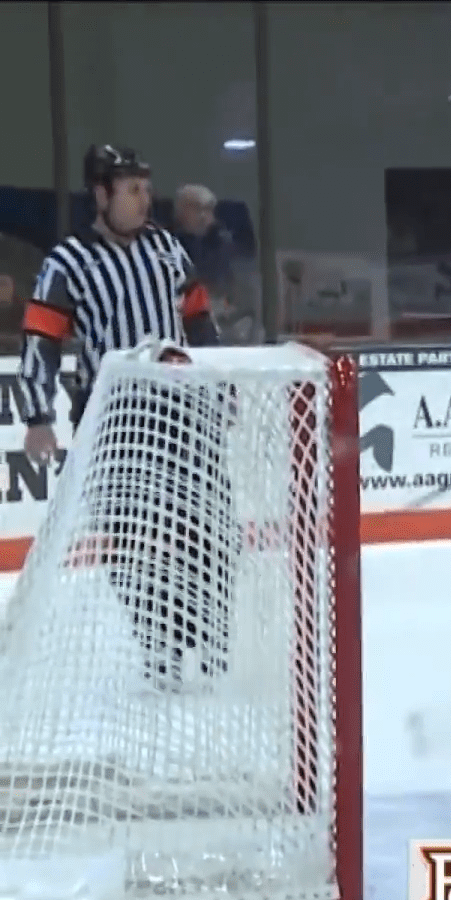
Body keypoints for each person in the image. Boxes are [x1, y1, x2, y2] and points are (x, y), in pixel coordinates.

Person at [18, 145, 225, 691]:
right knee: (132, 538)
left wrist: (221, 384)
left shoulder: (167, 249)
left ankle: (207, 632)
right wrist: (38, 415)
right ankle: (157, 643)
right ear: (101, 194)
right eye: (130, 188)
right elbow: (41, 338)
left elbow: (199, 323)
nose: (143, 198)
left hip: (184, 409)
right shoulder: (67, 262)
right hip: (114, 419)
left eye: (145, 186)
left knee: (203, 526)